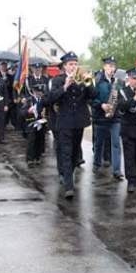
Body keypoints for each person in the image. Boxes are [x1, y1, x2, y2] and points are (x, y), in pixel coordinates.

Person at [46, 52, 96, 199]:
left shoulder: (82, 79)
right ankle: (69, 185)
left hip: (79, 121)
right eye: (71, 64)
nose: (74, 66)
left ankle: (66, 173)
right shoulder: (58, 80)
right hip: (64, 121)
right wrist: (65, 86)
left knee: (75, 152)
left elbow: (93, 95)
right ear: (65, 66)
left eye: (75, 64)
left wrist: (88, 82)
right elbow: (51, 98)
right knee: (66, 152)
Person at [91, 56, 123, 181]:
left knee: (116, 143)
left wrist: (117, 104)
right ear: (104, 67)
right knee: (99, 143)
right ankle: (96, 163)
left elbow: (121, 97)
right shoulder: (97, 80)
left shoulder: (118, 82)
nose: (112, 69)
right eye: (109, 66)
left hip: (115, 118)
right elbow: (91, 98)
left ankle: (117, 170)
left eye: (113, 66)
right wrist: (101, 105)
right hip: (101, 117)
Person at [21, 84, 46, 167]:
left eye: (40, 92)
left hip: (41, 123)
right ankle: (30, 159)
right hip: (31, 123)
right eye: (37, 91)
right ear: (33, 92)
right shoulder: (29, 101)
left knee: (40, 141)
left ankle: (37, 157)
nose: (39, 93)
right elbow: (22, 112)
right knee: (31, 142)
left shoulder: (44, 100)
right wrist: (28, 111)